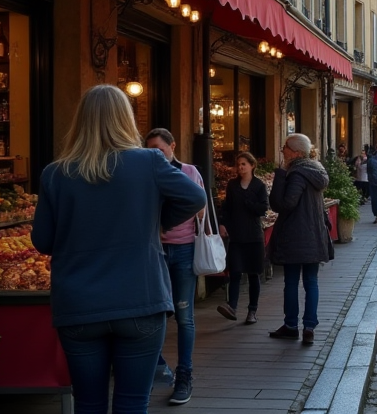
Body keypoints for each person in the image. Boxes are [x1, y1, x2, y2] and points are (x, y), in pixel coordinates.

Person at [32, 85, 205, 414]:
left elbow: (42, 241)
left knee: (88, 404)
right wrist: (156, 224)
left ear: (81, 121)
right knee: (132, 404)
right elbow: (195, 197)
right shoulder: (148, 161)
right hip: (139, 298)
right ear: (125, 120)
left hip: (79, 303)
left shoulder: (55, 174)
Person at [146, 127, 206, 405]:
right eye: (150, 150)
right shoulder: (145, 173)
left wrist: (165, 219)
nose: (155, 154)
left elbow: (201, 208)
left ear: (172, 146)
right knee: (153, 314)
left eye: (159, 148)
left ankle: (184, 375)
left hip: (183, 249)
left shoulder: (190, 172)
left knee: (184, 316)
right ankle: (152, 370)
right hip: (154, 251)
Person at [268, 133, 333, 345]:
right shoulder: (315, 170)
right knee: (311, 282)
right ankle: (309, 327)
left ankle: (291, 325)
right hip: (314, 235)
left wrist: (280, 174)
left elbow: (285, 204)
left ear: (295, 152)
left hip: (296, 237)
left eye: (285, 147)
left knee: (292, 282)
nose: (282, 150)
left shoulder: (297, 173)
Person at [217, 151, 269, 326]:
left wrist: (249, 203)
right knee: (236, 272)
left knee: (254, 274)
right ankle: (232, 306)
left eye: (243, 164)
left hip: (254, 235)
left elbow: (263, 208)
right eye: (238, 164)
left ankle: (252, 310)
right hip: (237, 236)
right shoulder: (232, 185)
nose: (240, 167)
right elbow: (227, 207)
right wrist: (223, 223)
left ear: (252, 165)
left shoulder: (259, 186)